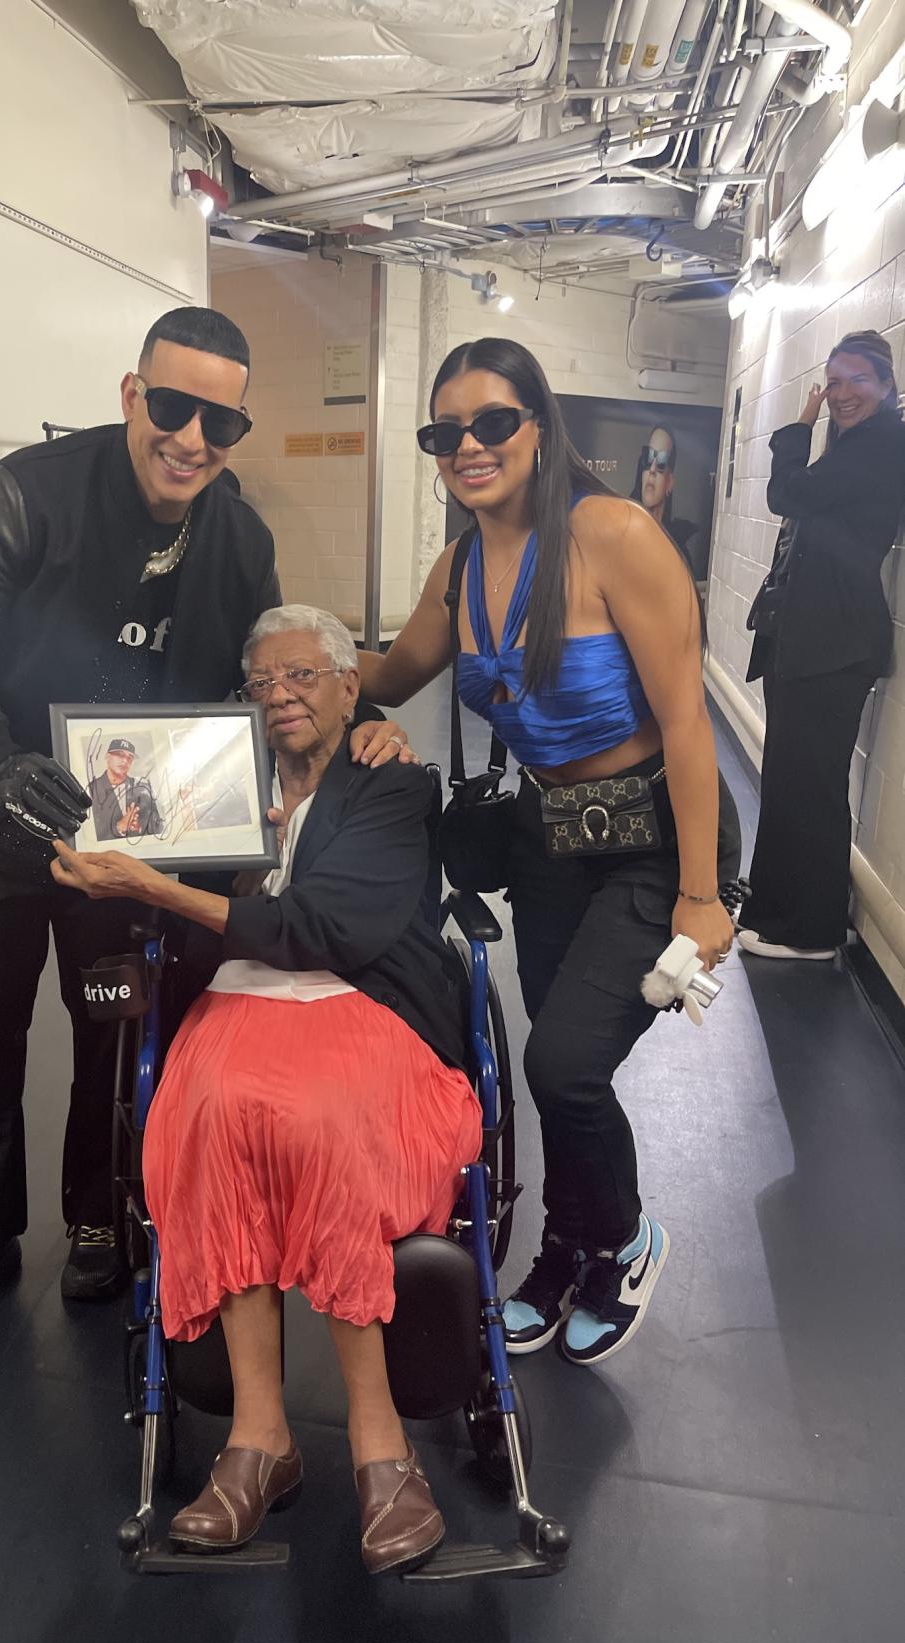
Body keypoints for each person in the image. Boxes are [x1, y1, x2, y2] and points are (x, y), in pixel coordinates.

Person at [0, 306, 414, 1338]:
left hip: (126, 839)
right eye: (173, 408)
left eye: (220, 424)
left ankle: (98, 1216)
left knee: (112, 1023)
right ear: (133, 395)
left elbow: (264, 668)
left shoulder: (241, 538)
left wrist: (363, 713)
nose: (192, 440)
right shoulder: (23, 498)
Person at [51, 606, 482, 1574]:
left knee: (320, 1121)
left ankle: (380, 1447)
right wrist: (125, 864)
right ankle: (260, 1440)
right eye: (262, 683)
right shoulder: (219, 782)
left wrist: (156, 891)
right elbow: (145, 840)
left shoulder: (390, 781)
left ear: (348, 688)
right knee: (208, 1117)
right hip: (245, 1002)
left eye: (303, 676)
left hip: (364, 1001)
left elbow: (320, 930)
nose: (280, 695)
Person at [355, 337, 740, 1367]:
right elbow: (384, 677)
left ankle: (624, 1241)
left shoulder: (615, 534)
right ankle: (564, 1250)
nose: (470, 446)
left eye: (493, 423)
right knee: (553, 1062)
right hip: (550, 841)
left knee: (564, 1062)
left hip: (654, 842)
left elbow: (690, 727)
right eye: (447, 433)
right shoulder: (460, 568)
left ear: (538, 425)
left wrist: (703, 899)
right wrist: (280, 666)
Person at [738, 329, 905, 961]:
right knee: (792, 778)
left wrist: (799, 424)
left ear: (886, 386)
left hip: (832, 642)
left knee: (807, 784)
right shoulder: (861, 445)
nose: (842, 393)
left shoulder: (881, 442)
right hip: (812, 638)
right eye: (833, 383)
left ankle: (808, 930)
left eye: (858, 379)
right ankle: (778, 907)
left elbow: (787, 495)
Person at [629, 424, 700, 570]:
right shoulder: (623, 537)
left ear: (670, 483)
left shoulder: (678, 553)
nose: (652, 469)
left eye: (661, 461)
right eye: (649, 457)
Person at [89, 739, 163, 841]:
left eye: (130, 757)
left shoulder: (144, 789)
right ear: (107, 756)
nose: (125, 761)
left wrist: (141, 829)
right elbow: (89, 840)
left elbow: (158, 830)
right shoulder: (91, 790)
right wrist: (119, 828)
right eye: (119, 755)